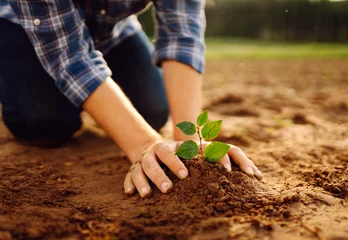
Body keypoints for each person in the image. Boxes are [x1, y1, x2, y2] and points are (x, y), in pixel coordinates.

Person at [0, 0, 262, 197]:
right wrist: (144, 145)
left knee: (154, 112)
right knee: (45, 124)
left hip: (113, 30)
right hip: (25, 27)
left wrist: (190, 144)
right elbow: (69, 54)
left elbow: (183, 35)